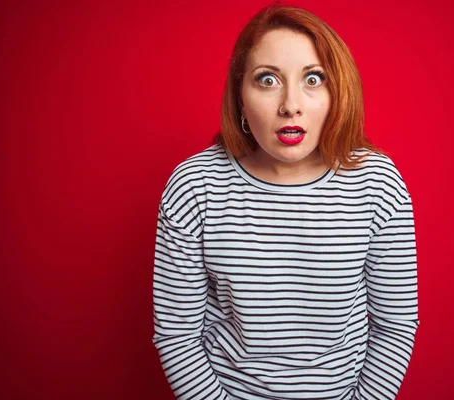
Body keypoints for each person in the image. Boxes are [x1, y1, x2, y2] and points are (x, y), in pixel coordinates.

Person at [152, 3, 420, 399]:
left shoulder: (376, 183)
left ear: (336, 92)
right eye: (267, 80)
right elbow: (177, 335)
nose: (290, 104)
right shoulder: (195, 186)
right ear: (240, 96)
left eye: (313, 79)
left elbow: (394, 326)